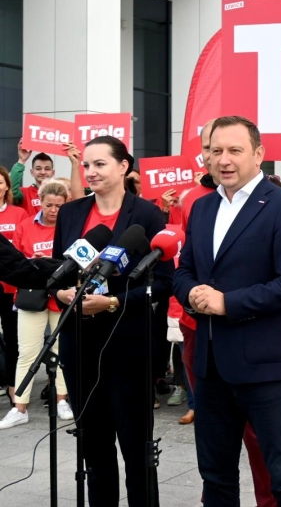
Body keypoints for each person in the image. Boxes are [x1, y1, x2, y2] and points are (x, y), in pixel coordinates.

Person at [173, 116, 281, 506]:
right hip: (211, 365)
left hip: (266, 367)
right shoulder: (202, 208)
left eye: (235, 150)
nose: (224, 159)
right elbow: (184, 270)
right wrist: (192, 293)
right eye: (216, 150)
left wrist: (227, 303)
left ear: (258, 154)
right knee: (215, 476)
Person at [51, 136, 173, 506]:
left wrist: (113, 302)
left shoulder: (147, 215)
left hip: (128, 343)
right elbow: (58, 271)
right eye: (86, 165)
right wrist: (62, 293)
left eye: (99, 164)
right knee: (94, 446)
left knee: (135, 447)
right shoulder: (71, 213)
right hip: (79, 343)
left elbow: (163, 282)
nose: (90, 172)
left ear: (123, 167)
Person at [0, 181, 73, 429]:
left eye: (59, 205)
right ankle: (19, 407)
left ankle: (62, 400)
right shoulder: (25, 225)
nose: (53, 210)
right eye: (49, 205)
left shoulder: (69, 227)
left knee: (62, 350)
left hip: (61, 295)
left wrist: (53, 264)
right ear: (39, 202)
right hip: (32, 294)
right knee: (27, 352)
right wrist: (35, 262)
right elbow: (15, 261)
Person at [0, 166, 26, 401]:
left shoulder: (19, 214)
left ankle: (12, 386)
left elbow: (22, 247)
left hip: (10, 287)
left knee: (13, 340)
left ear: (7, 186)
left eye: (0, 182)